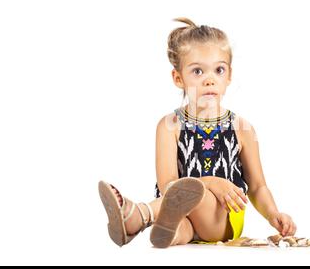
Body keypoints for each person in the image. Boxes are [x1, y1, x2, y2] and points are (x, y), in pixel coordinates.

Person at [98, 17, 296, 248]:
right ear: (178, 78)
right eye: (198, 71)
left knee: (194, 192)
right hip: (183, 214)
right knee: (178, 222)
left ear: (229, 75)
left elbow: (258, 186)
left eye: (218, 70)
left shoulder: (242, 129)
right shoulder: (169, 126)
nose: (209, 80)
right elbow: (168, 186)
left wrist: (274, 214)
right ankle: (169, 234)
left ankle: (138, 215)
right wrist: (210, 181)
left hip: (223, 218)